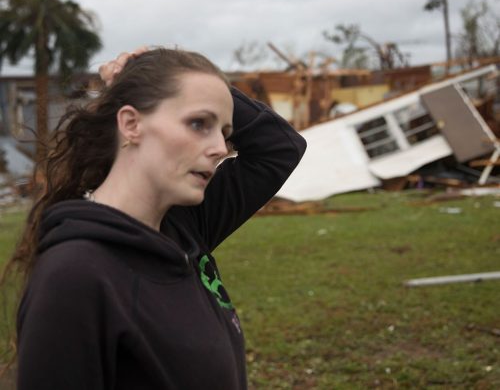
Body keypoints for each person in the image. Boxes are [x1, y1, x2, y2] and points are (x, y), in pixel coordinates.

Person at [11, 46, 306, 389]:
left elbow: (279, 148)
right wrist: (161, 73)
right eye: (199, 123)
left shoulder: (184, 226)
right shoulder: (74, 276)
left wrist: (172, 70)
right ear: (131, 124)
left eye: (224, 132)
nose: (221, 148)